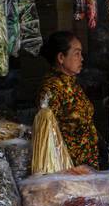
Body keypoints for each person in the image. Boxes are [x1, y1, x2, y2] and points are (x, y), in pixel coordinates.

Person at [41, 31, 99, 169]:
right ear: (61, 57)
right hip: (68, 169)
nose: (82, 59)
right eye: (77, 53)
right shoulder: (51, 89)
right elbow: (47, 133)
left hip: (87, 166)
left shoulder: (72, 84)